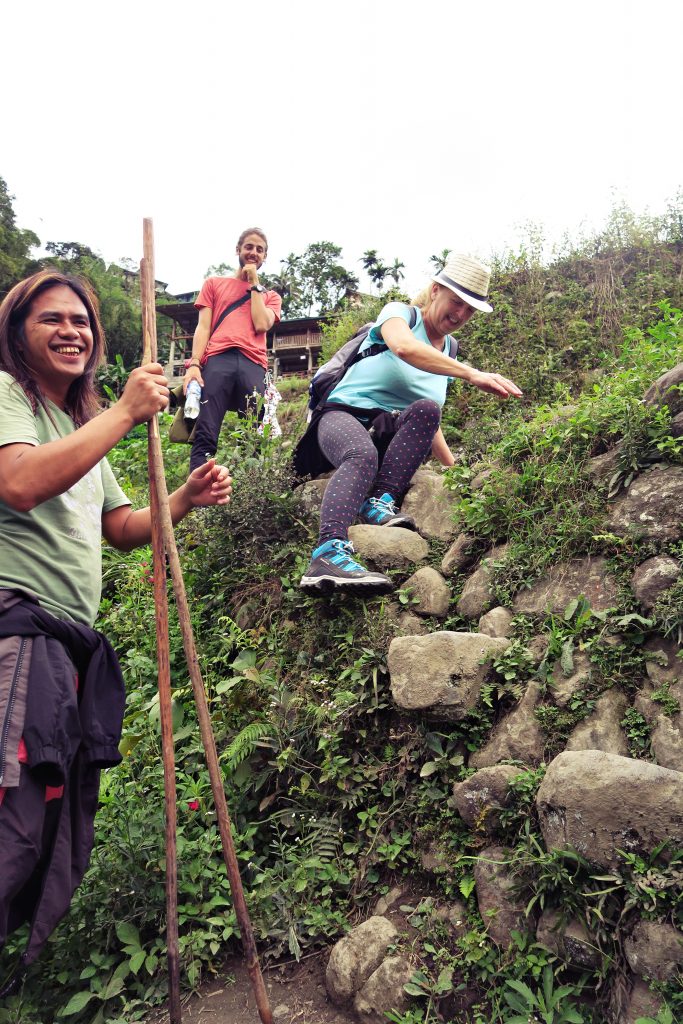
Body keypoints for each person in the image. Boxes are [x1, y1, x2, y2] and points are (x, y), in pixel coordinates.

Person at [0, 271, 232, 973]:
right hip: (18, 636)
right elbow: (19, 483)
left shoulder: (81, 428)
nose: (72, 330)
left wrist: (184, 498)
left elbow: (125, 530)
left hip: (65, 651)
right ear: (17, 332)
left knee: (43, 832)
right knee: (12, 823)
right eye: (52, 319)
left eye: (82, 321)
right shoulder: (8, 397)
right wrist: (127, 414)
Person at [299, 253, 522, 593]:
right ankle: (327, 554)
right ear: (436, 291)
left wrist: (454, 471)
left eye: (470, 309)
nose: (461, 314)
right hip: (341, 417)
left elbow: (429, 422)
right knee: (361, 454)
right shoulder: (399, 314)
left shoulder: (450, 349)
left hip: (386, 430)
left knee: (428, 409)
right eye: (457, 302)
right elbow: (403, 347)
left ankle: (380, 501)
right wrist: (472, 374)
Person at [183, 227, 282, 471]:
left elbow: (261, 323)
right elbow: (203, 327)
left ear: (265, 257)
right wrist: (194, 365)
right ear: (238, 250)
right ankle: (200, 498)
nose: (253, 253)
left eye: (260, 250)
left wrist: (254, 285)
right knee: (206, 429)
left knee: (256, 435)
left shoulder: (271, 297)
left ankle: (250, 499)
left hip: (254, 365)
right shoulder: (214, 284)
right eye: (249, 247)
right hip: (218, 359)